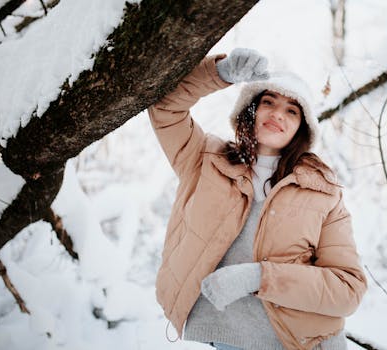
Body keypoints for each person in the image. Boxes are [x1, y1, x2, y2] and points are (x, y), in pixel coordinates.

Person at [148, 48, 367, 350]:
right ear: (250, 110)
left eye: (292, 110)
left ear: (301, 129)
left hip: (299, 343)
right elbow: (165, 108)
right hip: (225, 338)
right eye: (268, 102)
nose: (278, 113)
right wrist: (218, 73)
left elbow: (348, 289)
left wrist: (259, 277)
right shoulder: (204, 160)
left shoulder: (323, 193)